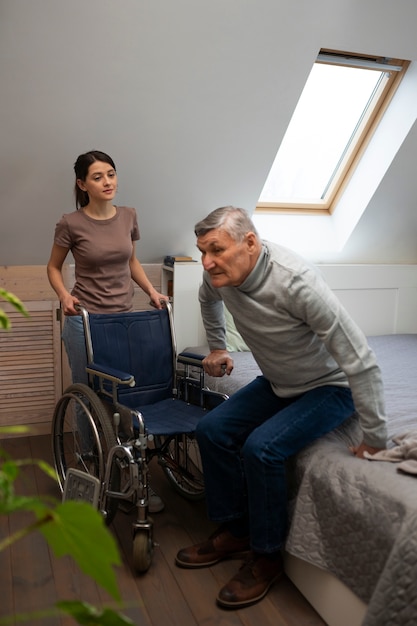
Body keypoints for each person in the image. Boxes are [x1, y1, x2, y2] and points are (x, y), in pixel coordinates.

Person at [175, 206, 387, 608]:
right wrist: (218, 345)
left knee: (263, 448)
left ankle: (267, 556)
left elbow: (361, 359)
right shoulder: (217, 275)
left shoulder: (297, 282)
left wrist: (376, 438)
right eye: (202, 251)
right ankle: (237, 529)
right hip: (278, 381)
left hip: (329, 386)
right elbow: (208, 299)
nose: (207, 262)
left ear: (250, 243)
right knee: (212, 430)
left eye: (216, 249)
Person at [47, 149, 169, 513]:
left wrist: (151, 291)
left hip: (123, 320)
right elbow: (53, 267)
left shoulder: (128, 216)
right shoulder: (70, 223)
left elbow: (130, 260)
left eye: (111, 174)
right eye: (98, 177)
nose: (107, 182)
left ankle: (128, 470)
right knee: (89, 398)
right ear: (82, 184)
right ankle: (92, 465)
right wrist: (64, 294)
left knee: (123, 395)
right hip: (84, 320)